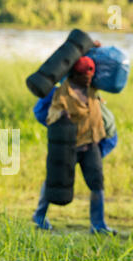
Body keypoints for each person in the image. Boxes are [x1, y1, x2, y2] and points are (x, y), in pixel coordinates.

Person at [32, 54, 117, 235]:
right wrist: (62, 118)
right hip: (67, 147)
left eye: (90, 78)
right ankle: (39, 216)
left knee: (97, 184)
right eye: (83, 78)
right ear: (74, 75)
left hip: (90, 144)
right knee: (54, 181)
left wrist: (93, 46)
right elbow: (50, 116)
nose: (87, 81)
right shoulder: (62, 93)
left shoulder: (93, 89)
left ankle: (99, 225)